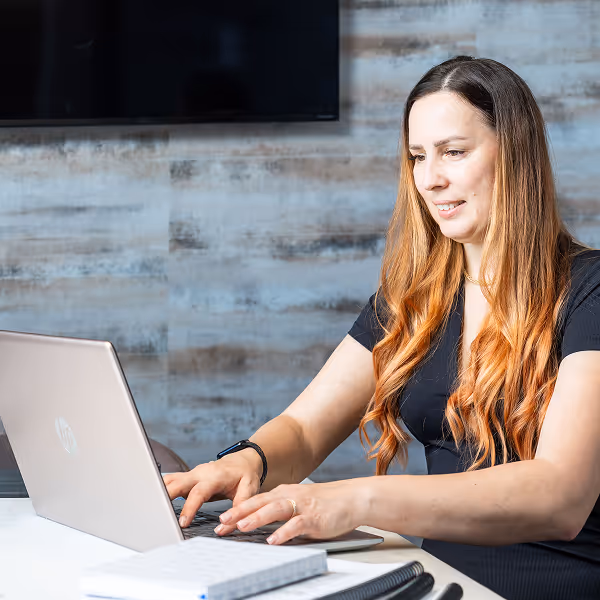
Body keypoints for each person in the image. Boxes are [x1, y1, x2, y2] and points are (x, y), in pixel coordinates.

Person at [163, 56, 600, 600]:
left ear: (515, 154)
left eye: (454, 152)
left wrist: (354, 500)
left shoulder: (590, 291)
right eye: (418, 157)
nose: (431, 179)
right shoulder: (412, 300)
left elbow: (560, 494)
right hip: (439, 585)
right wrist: (245, 460)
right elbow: (302, 430)